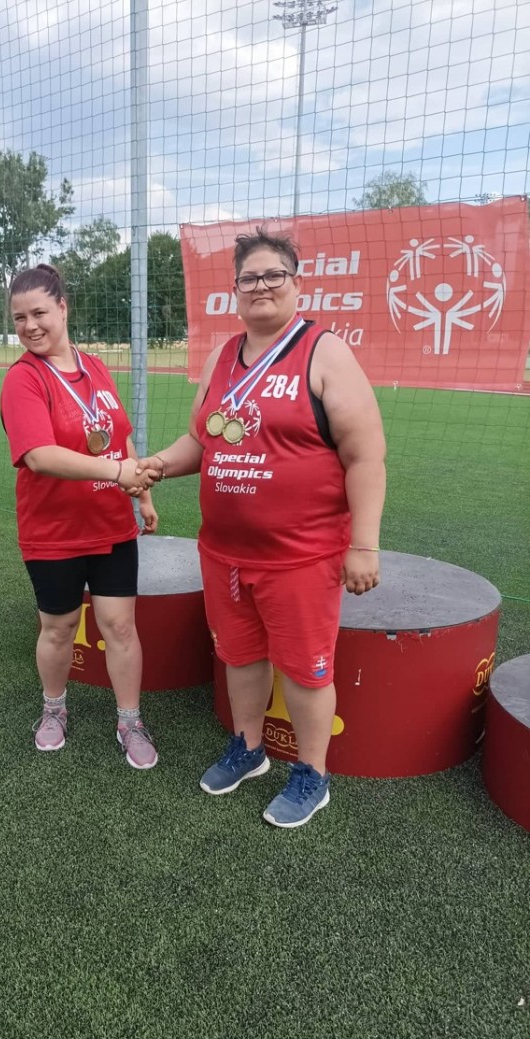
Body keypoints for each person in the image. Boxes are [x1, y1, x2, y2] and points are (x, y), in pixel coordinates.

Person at [138, 227, 387, 825]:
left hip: (301, 556)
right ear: (235, 290)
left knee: (304, 670)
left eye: (274, 275)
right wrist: (156, 466)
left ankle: (312, 774)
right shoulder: (223, 357)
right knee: (241, 657)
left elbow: (366, 456)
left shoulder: (324, 352)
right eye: (248, 278)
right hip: (225, 553)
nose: (261, 286)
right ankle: (248, 749)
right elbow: (203, 441)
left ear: (297, 284)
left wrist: (365, 545)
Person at [0, 263, 160, 770]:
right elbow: (39, 456)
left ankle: (130, 719)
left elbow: (118, 434)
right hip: (53, 532)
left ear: (63, 308)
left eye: (39, 313)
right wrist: (116, 471)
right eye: (19, 318)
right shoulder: (23, 379)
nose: (30, 326)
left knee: (121, 627)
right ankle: (54, 709)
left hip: (112, 527)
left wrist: (140, 494)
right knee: (59, 627)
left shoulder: (95, 367)